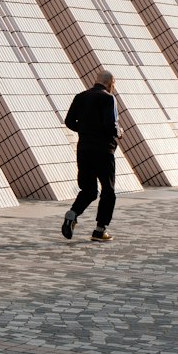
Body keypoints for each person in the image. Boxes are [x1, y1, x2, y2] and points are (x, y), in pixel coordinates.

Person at [60, 69, 119, 243]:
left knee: (89, 190)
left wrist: (85, 131)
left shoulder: (80, 96)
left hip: (84, 150)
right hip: (103, 151)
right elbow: (111, 125)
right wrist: (119, 133)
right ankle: (100, 231)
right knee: (108, 191)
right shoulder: (108, 98)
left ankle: (73, 214)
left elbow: (69, 121)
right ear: (110, 83)